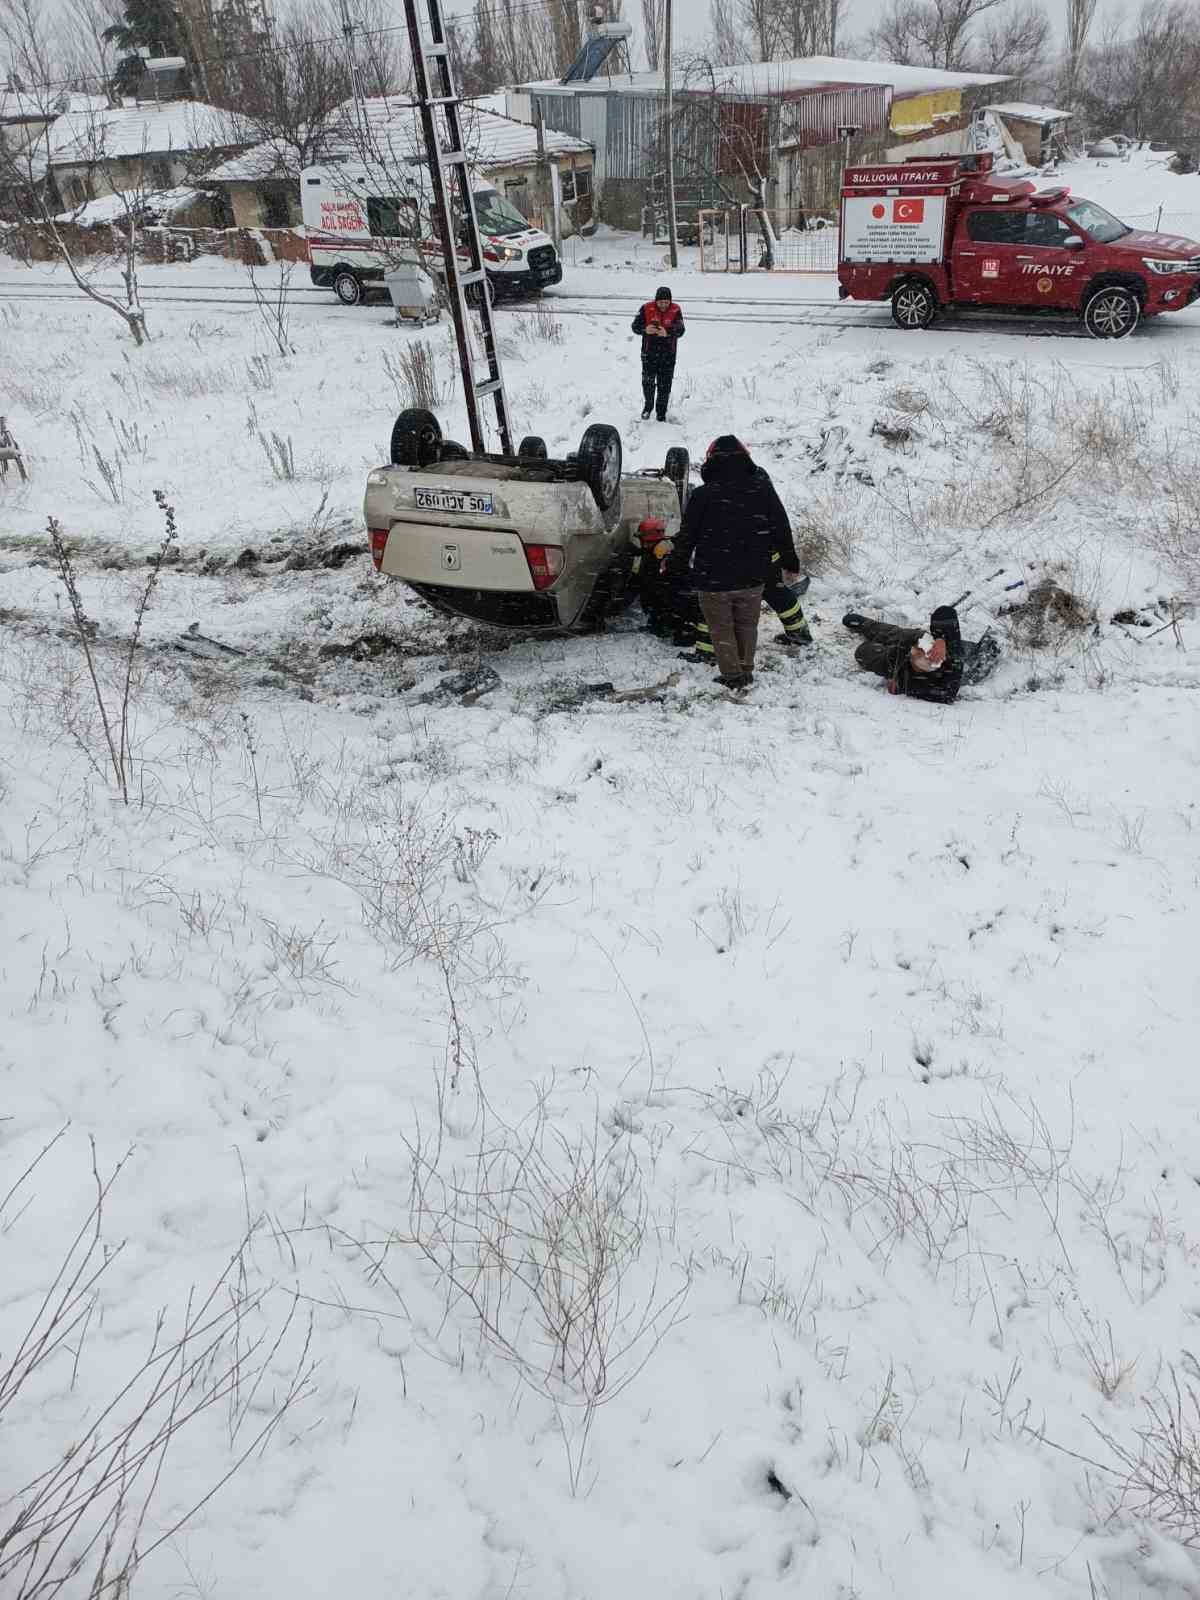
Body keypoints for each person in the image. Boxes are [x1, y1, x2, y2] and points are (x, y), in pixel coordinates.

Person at [665, 435, 798, 690]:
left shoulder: (703, 495)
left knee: (721, 627)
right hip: (753, 575)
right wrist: (790, 561)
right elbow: (781, 527)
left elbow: (687, 537)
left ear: (710, 462)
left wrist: (675, 566)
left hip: (714, 577)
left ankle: (733, 675)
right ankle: (745, 670)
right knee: (747, 625)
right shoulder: (762, 489)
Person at [842, 607, 964, 703]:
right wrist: (940, 638)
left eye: (927, 657)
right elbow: (944, 612)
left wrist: (900, 683)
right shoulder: (940, 642)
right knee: (896, 634)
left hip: (901, 669)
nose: (927, 652)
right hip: (910, 648)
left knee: (867, 652)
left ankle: (883, 644)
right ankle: (868, 625)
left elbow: (947, 695)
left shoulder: (951, 666)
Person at [632, 287, 685, 421]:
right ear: (656, 300)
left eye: (666, 302)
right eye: (660, 302)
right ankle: (648, 407)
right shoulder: (646, 308)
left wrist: (667, 332)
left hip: (668, 354)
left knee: (665, 384)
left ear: (670, 301)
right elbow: (634, 326)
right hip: (649, 353)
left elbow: (681, 329)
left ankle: (661, 412)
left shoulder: (676, 309)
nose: (663, 305)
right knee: (648, 383)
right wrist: (645, 329)